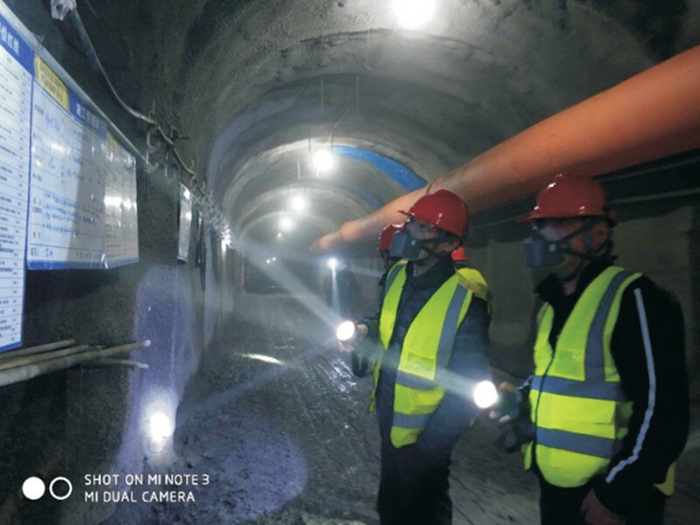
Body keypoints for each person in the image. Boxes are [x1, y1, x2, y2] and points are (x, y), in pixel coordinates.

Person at [509, 173, 689, 525]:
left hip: (610, 500)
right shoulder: (549, 304)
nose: (543, 235)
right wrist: (523, 402)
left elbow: (665, 410)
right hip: (558, 491)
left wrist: (618, 494)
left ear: (599, 233)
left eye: (559, 223)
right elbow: (563, 379)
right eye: (540, 225)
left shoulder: (637, 299)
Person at [342, 189, 492, 525]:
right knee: (391, 511)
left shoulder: (466, 301)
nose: (410, 232)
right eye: (412, 223)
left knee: (425, 515)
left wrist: (427, 452)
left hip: (426, 443)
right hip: (390, 423)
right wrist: (365, 331)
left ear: (449, 244)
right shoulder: (397, 276)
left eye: (424, 227)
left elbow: (467, 390)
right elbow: (385, 325)